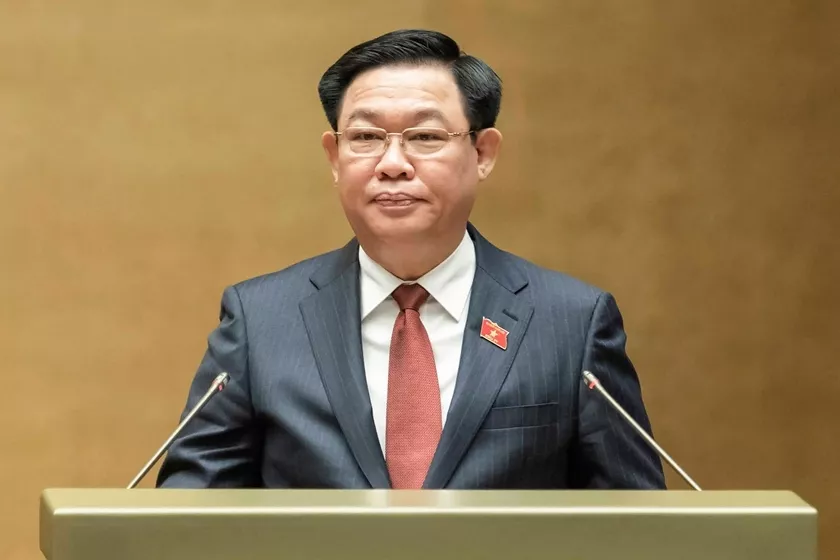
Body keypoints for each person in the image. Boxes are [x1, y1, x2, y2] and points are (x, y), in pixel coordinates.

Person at [156, 29, 665, 490]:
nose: (393, 164)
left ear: (483, 153)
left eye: (425, 137)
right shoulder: (261, 321)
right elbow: (188, 519)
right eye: (365, 138)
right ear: (334, 157)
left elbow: (637, 526)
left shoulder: (572, 323)